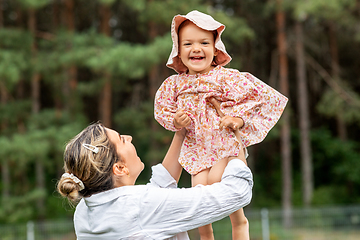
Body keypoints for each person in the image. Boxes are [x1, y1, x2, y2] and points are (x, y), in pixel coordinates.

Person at [154, 10, 288, 240]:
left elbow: (262, 98)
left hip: (224, 147)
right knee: (201, 210)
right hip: (196, 151)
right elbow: (162, 109)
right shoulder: (174, 84)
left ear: (216, 49)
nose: (196, 48)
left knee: (227, 198)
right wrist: (176, 120)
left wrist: (237, 119)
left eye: (204, 42)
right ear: (178, 51)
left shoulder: (225, 78)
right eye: (188, 43)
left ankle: (241, 229)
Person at [57, 121, 253, 240]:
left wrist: (182, 134)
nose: (129, 137)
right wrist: (234, 150)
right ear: (120, 168)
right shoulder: (141, 206)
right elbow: (236, 193)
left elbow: (157, 195)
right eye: (122, 140)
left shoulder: (85, 211)